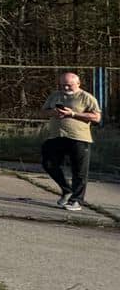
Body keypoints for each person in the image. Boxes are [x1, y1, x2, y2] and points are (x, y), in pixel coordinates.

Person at [41, 70, 102, 209]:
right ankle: (67, 190)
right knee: (48, 163)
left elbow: (96, 117)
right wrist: (53, 112)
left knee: (79, 171)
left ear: (78, 83)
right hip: (57, 136)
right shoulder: (55, 95)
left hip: (79, 138)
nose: (66, 87)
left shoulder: (86, 97)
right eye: (63, 85)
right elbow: (43, 111)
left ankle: (76, 200)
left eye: (69, 85)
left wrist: (73, 114)